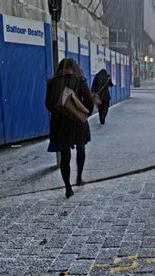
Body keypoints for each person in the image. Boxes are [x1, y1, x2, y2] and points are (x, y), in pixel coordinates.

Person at [45, 58, 94, 198]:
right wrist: (83, 115)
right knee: (81, 148)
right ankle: (79, 176)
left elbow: (48, 104)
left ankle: (67, 187)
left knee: (65, 156)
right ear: (75, 68)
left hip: (59, 124)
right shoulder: (80, 81)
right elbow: (89, 102)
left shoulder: (52, 83)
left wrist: (60, 111)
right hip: (78, 122)